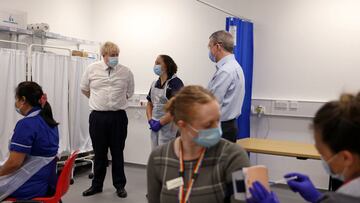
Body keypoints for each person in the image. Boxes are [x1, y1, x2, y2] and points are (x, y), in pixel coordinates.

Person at [247, 92, 360, 203]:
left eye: (322, 153)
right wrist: (317, 198)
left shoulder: (346, 196)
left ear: (346, 158)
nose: (323, 159)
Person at [147, 85, 250, 203]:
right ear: (183, 125)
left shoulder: (233, 156)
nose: (216, 129)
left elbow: (241, 199)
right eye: (208, 125)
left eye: (217, 120)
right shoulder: (158, 158)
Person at [80, 41, 134, 198]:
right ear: (103, 55)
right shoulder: (92, 69)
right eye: (112, 55)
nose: (115, 58)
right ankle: (96, 185)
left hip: (118, 117)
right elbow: (84, 89)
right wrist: (99, 101)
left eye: (117, 55)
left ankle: (120, 186)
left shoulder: (126, 72)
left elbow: (129, 92)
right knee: (99, 153)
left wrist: (115, 102)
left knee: (118, 152)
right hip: (98, 117)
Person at [0, 81, 59, 201]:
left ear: (23, 100)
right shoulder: (49, 121)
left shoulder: (26, 125)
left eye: (16, 99)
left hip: (29, 185)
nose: (16, 103)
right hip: (46, 181)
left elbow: (14, 164)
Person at [207, 30, 245, 143]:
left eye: (210, 46)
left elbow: (212, 103)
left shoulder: (225, 71)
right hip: (228, 126)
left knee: (215, 160)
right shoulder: (235, 67)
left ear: (217, 46)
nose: (209, 51)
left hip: (220, 128)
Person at [146, 54, 184, 150]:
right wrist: (150, 120)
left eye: (158, 63)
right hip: (154, 125)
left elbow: (176, 109)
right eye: (155, 63)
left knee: (167, 154)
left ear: (167, 66)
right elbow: (149, 103)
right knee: (155, 153)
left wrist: (160, 123)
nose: (155, 65)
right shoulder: (155, 84)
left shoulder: (175, 83)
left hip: (169, 127)